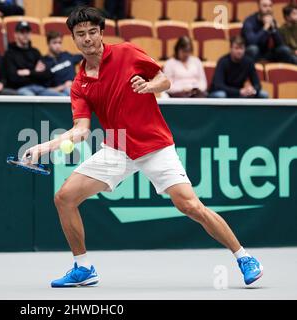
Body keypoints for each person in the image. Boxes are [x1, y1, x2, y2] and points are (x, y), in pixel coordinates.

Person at [22, 7, 264, 288]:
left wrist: (150, 86)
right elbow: (81, 131)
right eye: (80, 34)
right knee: (64, 197)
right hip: (118, 148)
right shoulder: (80, 84)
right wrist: (44, 147)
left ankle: (244, 257)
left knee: (190, 206)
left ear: (101, 32)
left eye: (91, 32)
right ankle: (84, 267)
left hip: (154, 144)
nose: (87, 38)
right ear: (73, 40)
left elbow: (165, 79)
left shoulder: (127, 52)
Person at [4, 21, 62, 96]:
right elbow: (12, 79)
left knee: (61, 97)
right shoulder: (9, 54)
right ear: (15, 34)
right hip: (21, 88)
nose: (25, 35)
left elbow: (47, 74)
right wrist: (36, 72)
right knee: (31, 98)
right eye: (22, 32)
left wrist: (29, 72)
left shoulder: (35, 52)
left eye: (27, 32)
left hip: (39, 87)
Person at [242, 0, 296, 64]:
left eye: (270, 6)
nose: (268, 9)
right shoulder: (249, 21)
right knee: (253, 49)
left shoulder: (272, 21)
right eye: (265, 6)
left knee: (284, 50)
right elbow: (251, 42)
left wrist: (273, 28)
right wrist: (265, 27)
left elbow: (280, 43)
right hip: (251, 52)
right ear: (259, 7)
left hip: (267, 53)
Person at [41, 31, 83, 96]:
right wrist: (64, 86)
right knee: (67, 91)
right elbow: (45, 90)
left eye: (60, 43)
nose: (58, 46)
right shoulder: (44, 62)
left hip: (76, 87)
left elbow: (85, 55)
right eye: (54, 43)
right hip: (61, 92)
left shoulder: (66, 55)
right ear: (48, 43)